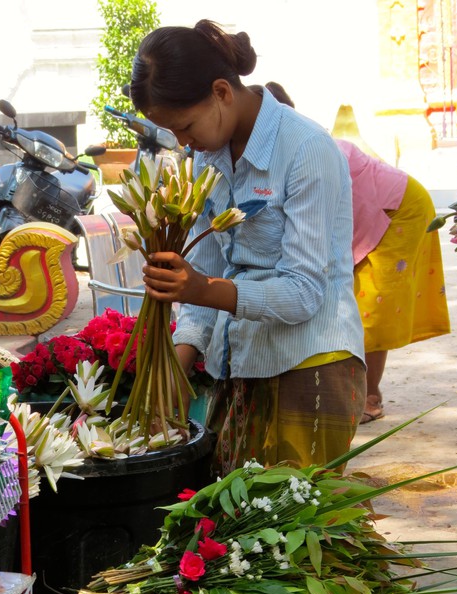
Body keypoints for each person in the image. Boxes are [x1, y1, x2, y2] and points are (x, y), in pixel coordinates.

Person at [130, 19, 366, 475]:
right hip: (240, 364)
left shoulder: (306, 149)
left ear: (221, 92)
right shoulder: (207, 157)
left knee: (296, 533)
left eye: (185, 126)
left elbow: (302, 293)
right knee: (234, 528)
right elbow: (201, 275)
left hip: (310, 366)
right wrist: (174, 371)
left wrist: (202, 289)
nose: (183, 143)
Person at [265, 82, 451, 424]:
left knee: (369, 309)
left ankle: (369, 396)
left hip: (401, 211)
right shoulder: (295, 151)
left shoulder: (315, 150)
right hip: (387, 209)